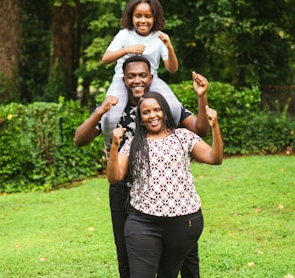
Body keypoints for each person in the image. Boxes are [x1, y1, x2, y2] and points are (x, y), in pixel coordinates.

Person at [74, 55, 210, 278]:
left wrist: (201, 98)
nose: (137, 80)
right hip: (123, 190)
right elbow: (79, 140)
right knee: (127, 257)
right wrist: (100, 110)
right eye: (131, 76)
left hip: (166, 192)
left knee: (187, 257)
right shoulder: (114, 110)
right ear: (123, 79)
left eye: (142, 75)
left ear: (151, 77)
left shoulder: (163, 106)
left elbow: (200, 131)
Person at [107, 91, 223, 277]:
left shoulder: (183, 136)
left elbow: (214, 158)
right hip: (143, 222)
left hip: (183, 222)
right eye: (146, 112)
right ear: (141, 117)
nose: (152, 115)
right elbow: (114, 177)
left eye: (157, 110)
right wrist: (114, 146)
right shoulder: (133, 143)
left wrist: (215, 127)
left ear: (165, 112)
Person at [101, 0, 181, 151]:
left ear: (155, 18)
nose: (143, 20)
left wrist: (169, 46)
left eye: (148, 16)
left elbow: (172, 69)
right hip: (123, 79)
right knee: (110, 117)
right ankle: (108, 149)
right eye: (138, 16)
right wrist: (127, 50)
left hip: (151, 79)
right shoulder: (124, 34)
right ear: (131, 17)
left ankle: (170, 144)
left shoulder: (159, 37)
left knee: (175, 109)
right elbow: (106, 58)